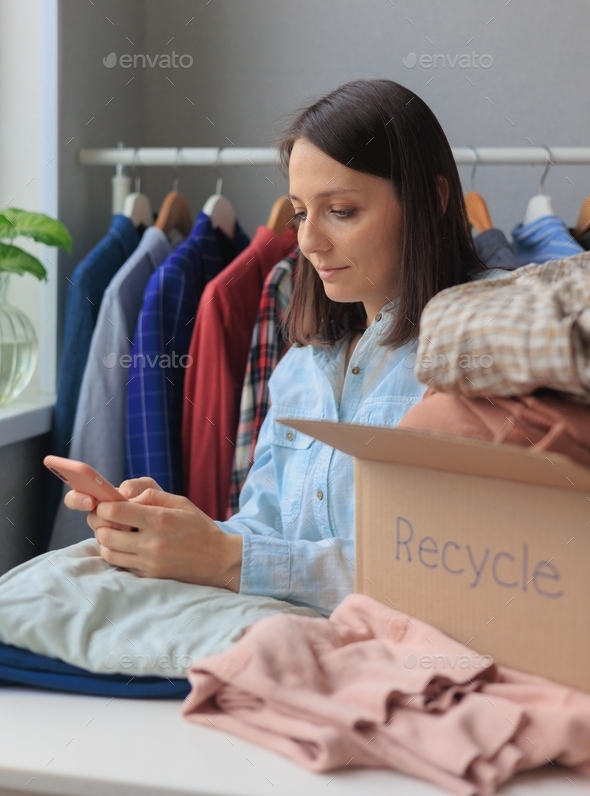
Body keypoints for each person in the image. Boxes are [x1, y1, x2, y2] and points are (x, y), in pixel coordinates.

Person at [64, 79, 489, 616]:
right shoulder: (299, 366)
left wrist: (228, 558)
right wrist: (177, 529)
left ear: (431, 199)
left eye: (341, 210)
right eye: (299, 213)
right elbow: (264, 530)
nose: (308, 241)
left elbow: (464, 573)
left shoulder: (488, 345)